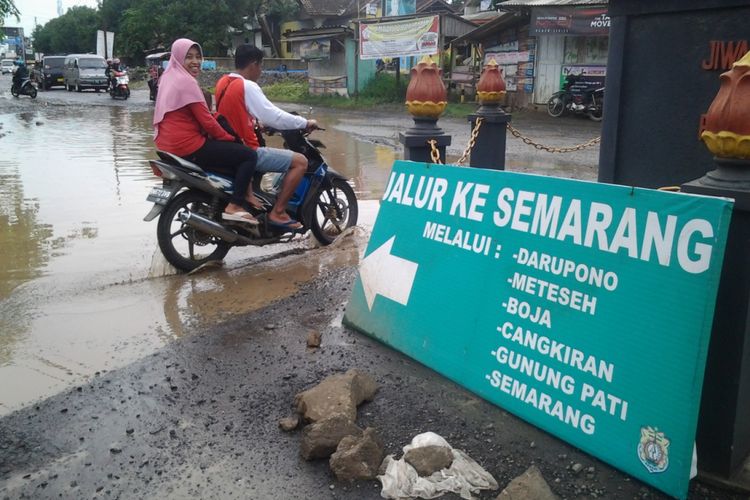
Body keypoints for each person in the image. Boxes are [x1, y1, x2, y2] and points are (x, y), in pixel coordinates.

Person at [154, 38, 259, 225]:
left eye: (198, 56)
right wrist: (230, 138)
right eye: (189, 57)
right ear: (178, 58)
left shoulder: (167, 77)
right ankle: (235, 205)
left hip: (166, 145)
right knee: (248, 155)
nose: (195, 61)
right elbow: (208, 122)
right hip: (187, 146)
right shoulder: (187, 82)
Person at [215, 44, 317, 230]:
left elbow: (234, 114)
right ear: (253, 64)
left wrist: (257, 125)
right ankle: (278, 212)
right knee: (300, 162)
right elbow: (275, 116)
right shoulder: (247, 86)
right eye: (261, 66)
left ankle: (256, 201)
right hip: (247, 150)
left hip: (229, 145)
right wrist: (304, 122)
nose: (261, 71)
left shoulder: (224, 82)